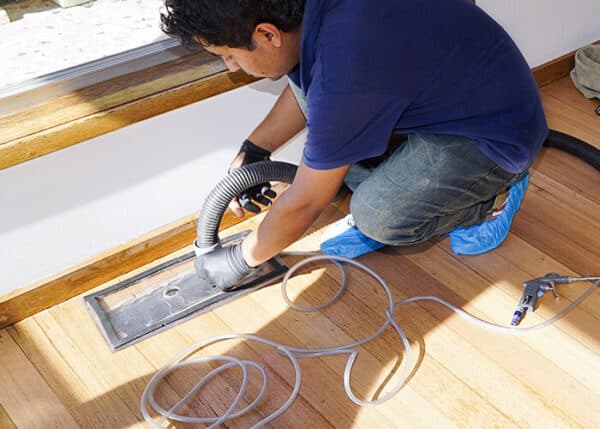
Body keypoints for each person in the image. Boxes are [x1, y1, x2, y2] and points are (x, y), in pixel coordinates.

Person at [161, 0, 548, 290]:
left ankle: (492, 199)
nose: (230, 66)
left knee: (377, 215)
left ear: (267, 35)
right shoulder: (307, 15)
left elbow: (307, 201)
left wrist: (240, 259)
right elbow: (308, 89)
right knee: (345, 173)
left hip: (495, 133)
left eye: (229, 55)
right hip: (455, 96)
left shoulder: (346, 61)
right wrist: (256, 149)